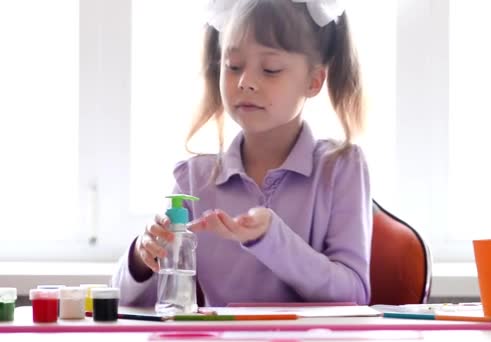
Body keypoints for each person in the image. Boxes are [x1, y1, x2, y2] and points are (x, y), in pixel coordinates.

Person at [111, 0, 372, 307]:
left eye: (270, 70)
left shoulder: (340, 168)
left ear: (314, 81)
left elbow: (354, 294)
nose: (246, 82)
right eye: (233, 67)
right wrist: (143, 257)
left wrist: (272, 238)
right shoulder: (195, 178)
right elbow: (129, 302)